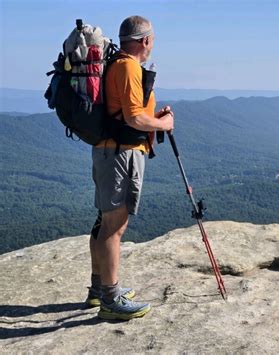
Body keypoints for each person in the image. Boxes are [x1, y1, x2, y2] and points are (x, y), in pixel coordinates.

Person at [84, 15, 174, 320]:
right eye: (152, 41)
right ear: (145, 40)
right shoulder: (129, 67)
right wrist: (162, 123)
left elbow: (129, 112)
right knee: (114, 227)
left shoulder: (118, 64)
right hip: (120, 155)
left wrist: (153, 115)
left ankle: (99, 290)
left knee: (103, 224)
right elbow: (135, 118)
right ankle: (110, 299)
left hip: (110, 151)